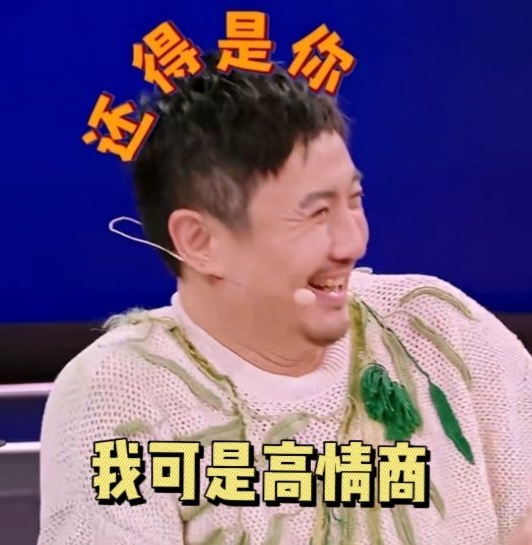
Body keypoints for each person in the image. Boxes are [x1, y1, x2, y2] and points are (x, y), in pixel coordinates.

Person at [37, 52, 532, 545]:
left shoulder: (436, 328)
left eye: (354, 200)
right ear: (200, 241)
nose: (352, 242)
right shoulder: (121, 393)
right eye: (316, 214)